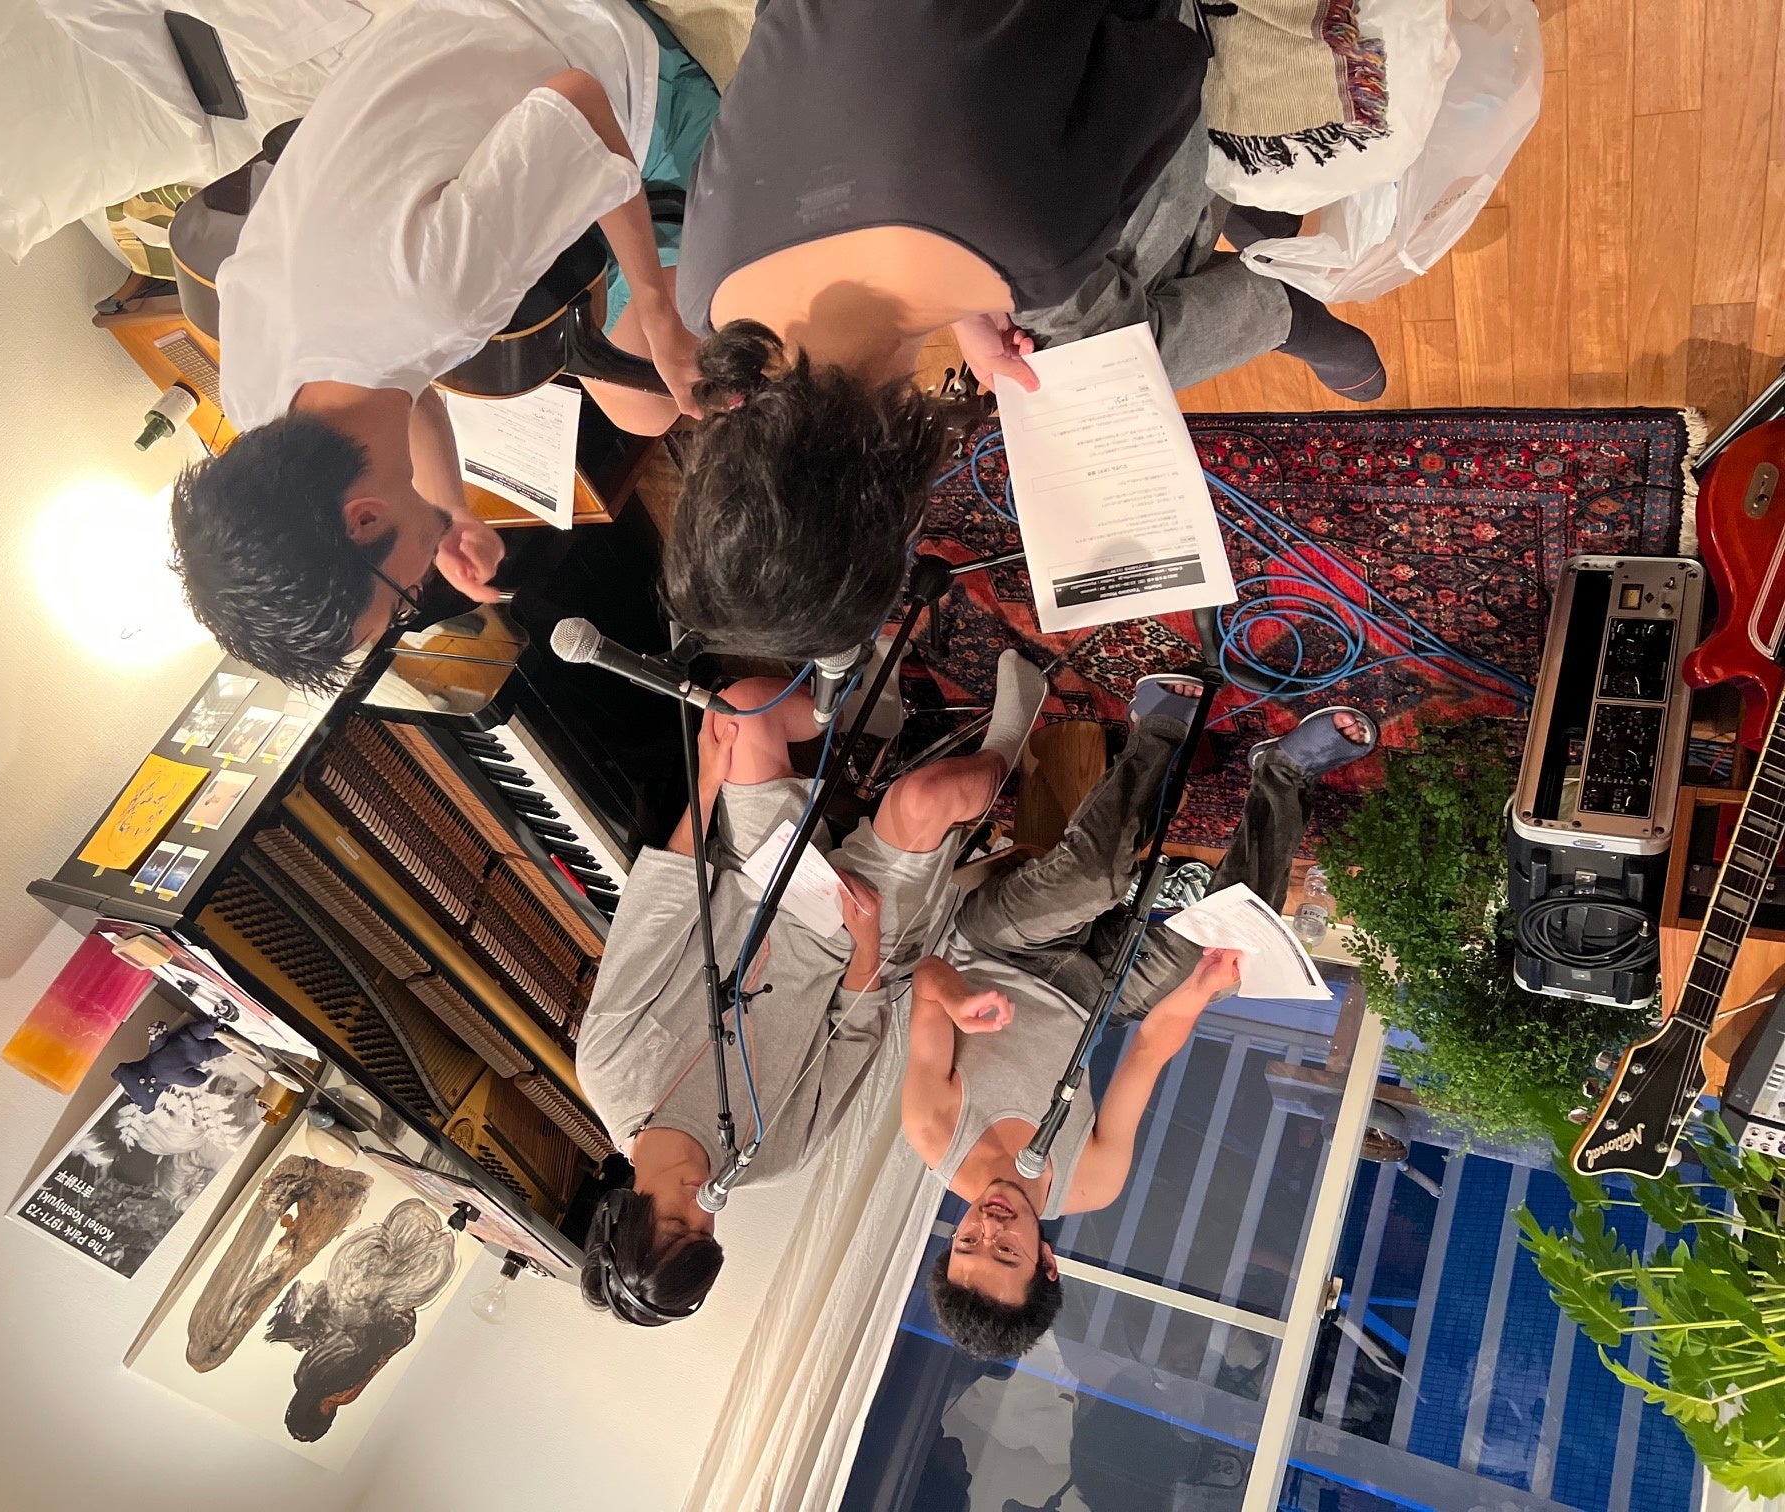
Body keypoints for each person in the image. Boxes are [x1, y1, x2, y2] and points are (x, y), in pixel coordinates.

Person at [663, 0, 1387, 660]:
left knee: (1082, 335)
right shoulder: (706, 289)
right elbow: (849, 175)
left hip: (1095, 134)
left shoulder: (1033, 249)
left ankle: (1273, 293)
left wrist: (997, 279)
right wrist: (966, 302)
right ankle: (1269, 268)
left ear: (897, 500)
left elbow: (1173, 65)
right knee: (1066, 316)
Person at [167, 0, 719, 694]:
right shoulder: (259, 402)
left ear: (364, 518)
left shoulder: (437, 299)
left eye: (398, 600)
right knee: (642, 408)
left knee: (742, 317)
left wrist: (659, 312)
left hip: (590, 53)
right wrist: (451, 509)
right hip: (457, 66)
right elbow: (405, 396)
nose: (417, 593)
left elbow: (582, 102)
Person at [902, 678, 1379, 1362]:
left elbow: (925, 979)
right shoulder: (1089, 1184)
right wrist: (1200, 988)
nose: (989, 1226)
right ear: (1047, 1264)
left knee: (1094, 878)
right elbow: (1150, 1052)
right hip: (1096, 1000)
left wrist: (955, 1003)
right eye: (1005, 1252)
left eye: (968, 1243)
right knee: (1227, 954)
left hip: (999, 949)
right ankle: (1283, 773)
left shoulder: (933, 1132)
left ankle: (1156, 729)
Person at [576, 652, 1052, 1325]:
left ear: (623, 1207)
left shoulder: (609, 1070)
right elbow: (855, 1036)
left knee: (742, 710)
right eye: (706, 1231)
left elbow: (657, 913)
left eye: (678, 1220)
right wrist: (866, 942)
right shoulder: (773, 1158)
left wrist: (709, 781)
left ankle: (869, 712)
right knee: (924, 799)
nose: (704, 1203)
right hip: (851, 941)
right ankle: (1008, 745)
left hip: (753, 878)